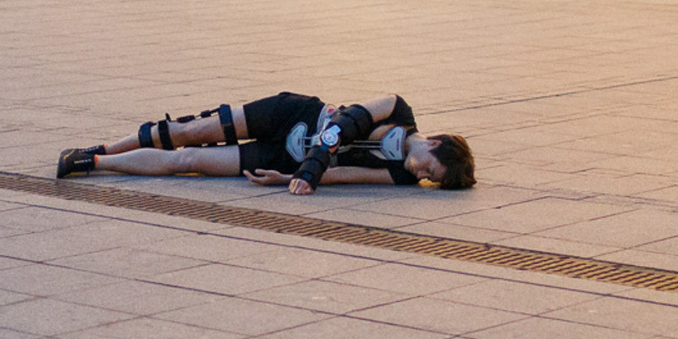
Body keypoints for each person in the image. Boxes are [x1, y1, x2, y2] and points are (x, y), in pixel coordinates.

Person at [55, 94, 475, 194]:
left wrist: (288, 176)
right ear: (433, 143)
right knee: (191, 131)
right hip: (292, 114)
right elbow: (344, 127)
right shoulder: (398, 109)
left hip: (281, 156)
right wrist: (310, 170)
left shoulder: (400, 178)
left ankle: (91, 162)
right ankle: (108, 146)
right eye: (430, 169)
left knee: (187, 159)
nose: (422, 176)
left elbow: (345, 174)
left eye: (430, 182)